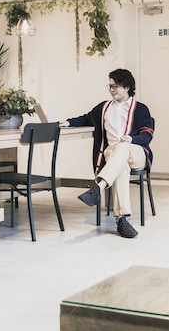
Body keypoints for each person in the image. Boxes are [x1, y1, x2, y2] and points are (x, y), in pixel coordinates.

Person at [59, 68, 154, 239]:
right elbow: (85, 118)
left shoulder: (140, 108)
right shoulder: (104, 108)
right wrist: (68, 122)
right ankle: (121, 220)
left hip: (136, 151)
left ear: (127, 87)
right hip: (112, 153)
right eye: (109, 86)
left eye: (115, 86)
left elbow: (148, 134)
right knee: (120, 166)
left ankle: (99, 187)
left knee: (123, 148)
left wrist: (132, 139)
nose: (111, 89)